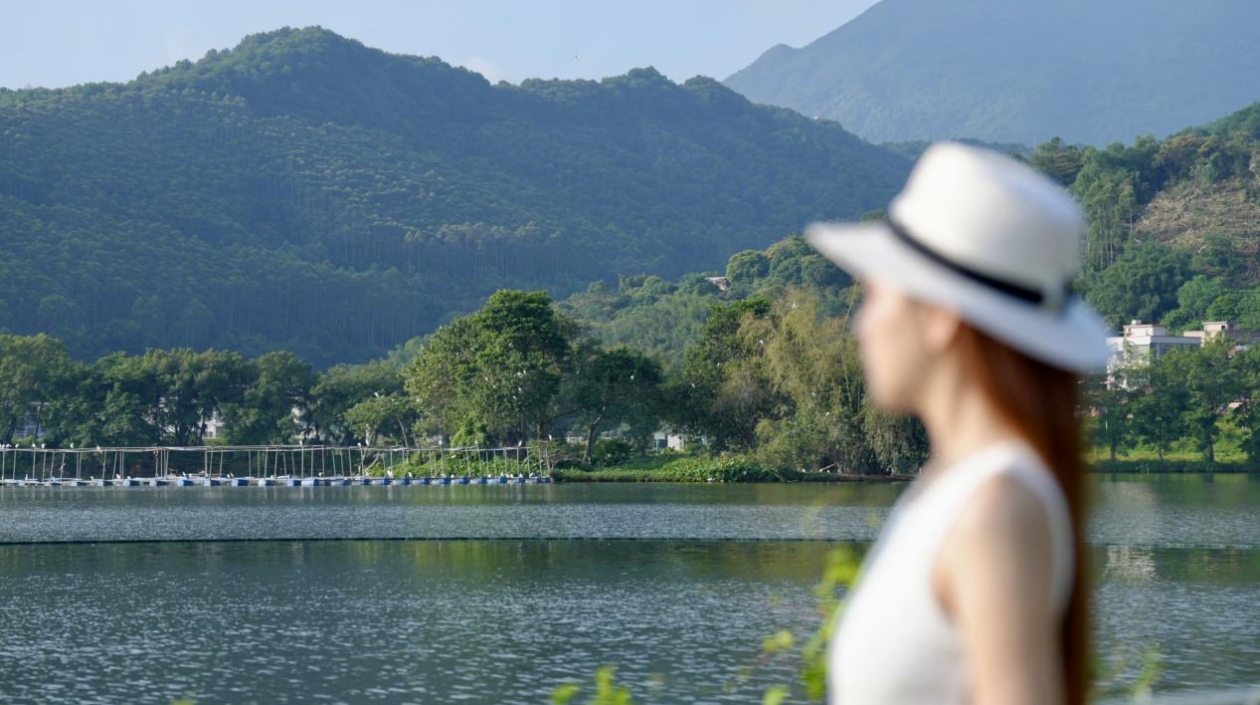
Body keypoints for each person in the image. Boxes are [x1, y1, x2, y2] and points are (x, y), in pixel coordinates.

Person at [806, 142, 1111, 705]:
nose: (860, 326)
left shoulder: (995, 507)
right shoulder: (955, 487)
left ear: (940, 318)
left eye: (875, 296)